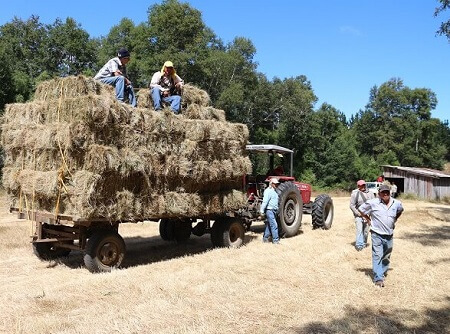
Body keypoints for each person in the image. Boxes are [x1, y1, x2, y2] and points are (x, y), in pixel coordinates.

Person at [358, 184, 404, 287]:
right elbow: (361, 209)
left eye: (387, 192)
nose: (385, 194)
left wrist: (395, 219)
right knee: (377, 255)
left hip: (389, 234)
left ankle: (382, 271)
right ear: (379, 193)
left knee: (386, 255)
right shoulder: (373, 203)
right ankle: (378, 278)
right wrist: (368, 219)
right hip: (376, 233)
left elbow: (400, 210)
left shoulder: (396, 203)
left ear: (390, 192)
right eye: (383, 192)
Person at [349, 179, 375, 251]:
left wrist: (371, 215)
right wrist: (358, 213)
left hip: (368, 216)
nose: (362, 186)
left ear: (365, 185)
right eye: (360, 185)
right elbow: (352, 205)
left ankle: (363, 243)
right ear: (358, 186)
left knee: (366, 231)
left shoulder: (371, 193)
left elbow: (374, 204)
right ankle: (359, 246)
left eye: (363, 185)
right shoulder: (355, 193)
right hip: (359, 215)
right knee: (359, 230)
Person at [259, 178, 280, 244]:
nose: (276, 185)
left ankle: (265, 238)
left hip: (274, 210)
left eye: (277, 184)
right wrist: (262, 210)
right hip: (269, 210)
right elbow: (265, 201)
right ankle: (275, 241)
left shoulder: (275, 191)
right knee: (274, 225)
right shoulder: (268, 191)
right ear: (271, 183)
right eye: (275, 184)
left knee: (269, 225)